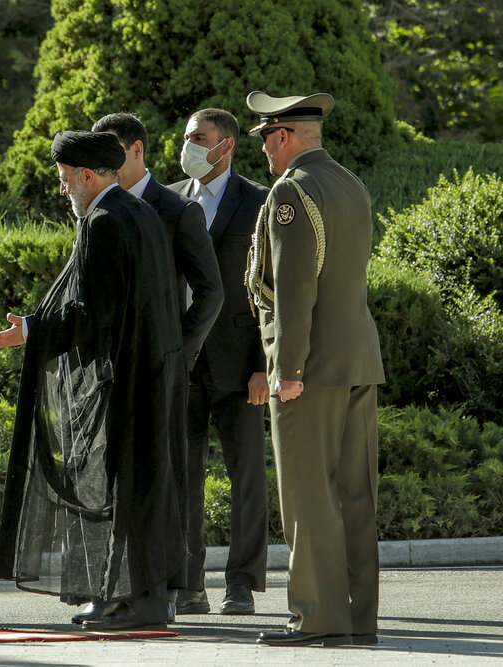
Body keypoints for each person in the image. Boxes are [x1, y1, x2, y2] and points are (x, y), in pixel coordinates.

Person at [0, 130, 222, 631]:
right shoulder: (141, 215)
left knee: (128, 488)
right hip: (154, 373)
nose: (65, 190)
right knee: (148, 487)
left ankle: (130, 600)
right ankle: (144, 599)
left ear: (88, 176)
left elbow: (92, 315)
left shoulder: (106, 222)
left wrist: (31, 330)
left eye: (67, 181)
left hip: (131, 379)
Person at [244, 91, 385, 647]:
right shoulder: (350, 183)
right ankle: (358, 619)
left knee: (308, 496)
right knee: (355, 493)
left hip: (312, 364)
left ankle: (317, 618)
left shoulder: (291, 191)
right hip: (357, 359)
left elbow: (296, 288)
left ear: (282, 136)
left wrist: (288, 368)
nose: (265, 154)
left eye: (265, 141)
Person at [90, 112, 224, 618]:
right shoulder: (96, 205)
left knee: (167, 479)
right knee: (120, 481)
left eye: (112, 155)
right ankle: (121, 590)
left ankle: (173, 589)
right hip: (115, 372)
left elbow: (211, 291)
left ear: (137, 150)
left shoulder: (176, 209)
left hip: (165, 369)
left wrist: (178, 349)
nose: (103, 166)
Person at [167, 108, 270, 616]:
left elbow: (268, 292)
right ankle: (188, 586)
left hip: (240, 365)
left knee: (247, 476)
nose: (187, 145)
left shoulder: (257, 202)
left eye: (198, 138)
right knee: (183, 479)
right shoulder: (169, 200)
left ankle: (243, 584)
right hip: (182, 364)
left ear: (226, 145)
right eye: (187, 137)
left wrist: (265, 364)